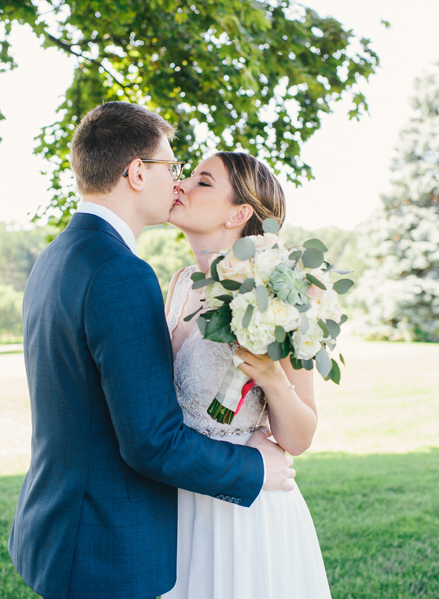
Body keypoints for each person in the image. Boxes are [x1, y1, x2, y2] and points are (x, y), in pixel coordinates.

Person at [7, 103, 296, 599]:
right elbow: (150, 441)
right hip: (103, 541)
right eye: (173, 168)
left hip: (59, 526)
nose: (178, 182)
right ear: (138, 172)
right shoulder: (122, 272)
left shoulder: (56, 256)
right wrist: (256, 469)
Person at [163, 152, 331, 598]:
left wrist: (273, 380)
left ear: (239, 213)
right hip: (177, 499)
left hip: (243, 510)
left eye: (202, 181)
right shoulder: (179, 283)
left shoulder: (274, 289)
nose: (181, 185)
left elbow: (299, 438)